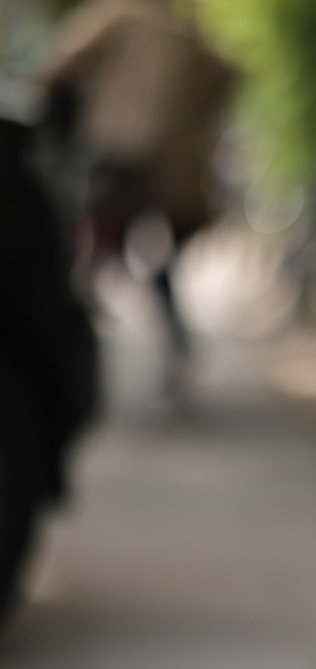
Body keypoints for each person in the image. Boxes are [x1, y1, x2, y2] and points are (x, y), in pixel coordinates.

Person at [40, 0, 232, 395]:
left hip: (119, 158)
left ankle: (64, 352)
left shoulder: (116, 17)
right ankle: (174, 338)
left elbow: (58, 64)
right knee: (161, 262)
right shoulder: (187, 35)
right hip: (177, 168)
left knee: (93, 252)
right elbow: (227, 75)